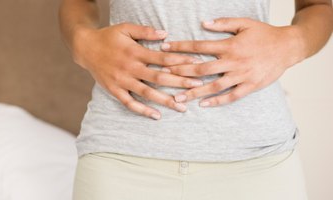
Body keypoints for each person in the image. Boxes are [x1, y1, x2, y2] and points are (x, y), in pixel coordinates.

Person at [58, 0, 333, 199]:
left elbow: (318, 6)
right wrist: (84, 42)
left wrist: (291, 43)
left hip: (258, 161)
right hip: (121, 158)